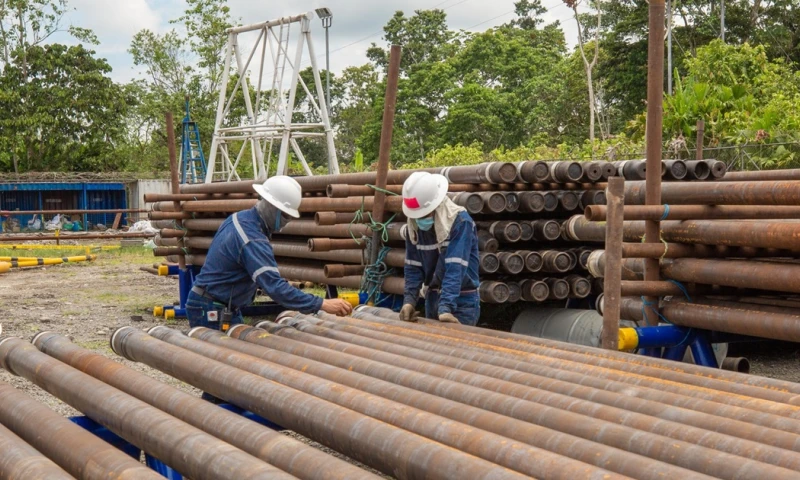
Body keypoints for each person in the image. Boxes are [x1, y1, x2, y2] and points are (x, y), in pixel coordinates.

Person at [186, 175, 353, 330]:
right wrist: (322, 304)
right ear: (272, 207)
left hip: (216, 303)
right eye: (285, 215)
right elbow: (275, 288)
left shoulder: (240, 219)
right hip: (211, 307)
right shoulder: (252, 238)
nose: (287, 221)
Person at [399, 172, 481, 325]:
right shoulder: (414, 224)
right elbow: (413, 266)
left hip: (461, 300)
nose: (420, 220)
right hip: (432, 296)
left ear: (436, 205)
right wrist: (409, 301)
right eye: (417, 216)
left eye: (424, 215)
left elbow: (455, 267)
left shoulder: (460, 222)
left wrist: (446, 307)